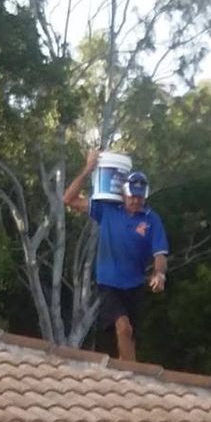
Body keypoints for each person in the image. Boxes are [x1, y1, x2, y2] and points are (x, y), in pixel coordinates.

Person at [63, 148, 168, 362]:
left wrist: (159, 274)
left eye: (140, 197)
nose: (136, 201)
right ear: (124, 192)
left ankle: (124, 372)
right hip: (109, 284)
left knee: (129, 338)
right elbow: (69, 199)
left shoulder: (151, 219)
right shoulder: (108, 210)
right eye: (132, 196)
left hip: (135, 285)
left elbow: (160, 253)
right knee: (123, 328)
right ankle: (132, 377)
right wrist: (89, 168)